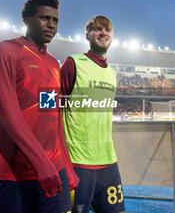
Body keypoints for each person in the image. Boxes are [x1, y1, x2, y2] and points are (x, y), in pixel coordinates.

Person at [0, 0, 79, 213]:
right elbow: (7, 114)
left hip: (53, 170)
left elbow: (53, 117)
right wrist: (41, 163)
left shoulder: (52, 63)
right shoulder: (7, 51)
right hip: (14, 175)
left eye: (55, 20)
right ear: (27, 20)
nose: (51, 25)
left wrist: (66, 165)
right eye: (45, 18)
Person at [61, 15, 125, 212]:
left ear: (112, 36)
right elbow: (54, 109)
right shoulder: (73, 64)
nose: (103, 33)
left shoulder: (112, 74)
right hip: (77, 162)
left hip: (108, 161)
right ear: (88, 35)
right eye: (98, 29)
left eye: (107, 30)